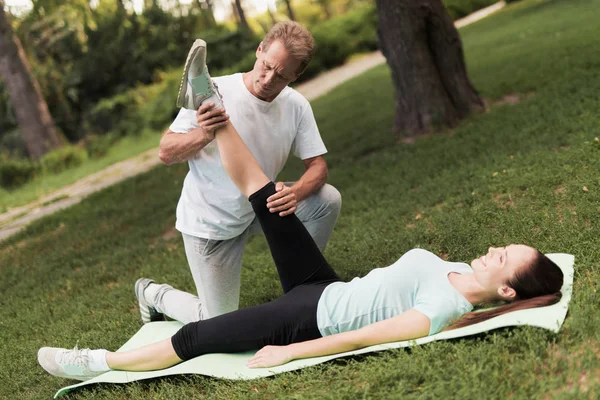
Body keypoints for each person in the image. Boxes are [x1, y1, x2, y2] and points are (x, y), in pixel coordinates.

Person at [37, 59, 564, 382]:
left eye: (505, 260)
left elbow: (364, 338)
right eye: (507, 246)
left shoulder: (442, 308)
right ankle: (209, 104)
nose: (496, 250)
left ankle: (99, 362)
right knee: (265, 194)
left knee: (198, 336)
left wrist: (290, 351)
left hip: (307, 319)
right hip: (321, 286)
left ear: (508, 294)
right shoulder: (460, 270)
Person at [154, 21, 342, 323]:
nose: (268, 79)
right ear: (259, 50)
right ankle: (155, 294)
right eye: (266, 66)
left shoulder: (296, 106)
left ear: (296, 76)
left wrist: (296, 193)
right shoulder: (223, 89)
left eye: (281, 76)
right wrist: (204, 134)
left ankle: (301, 288)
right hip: (212, 223)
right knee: (215, 321)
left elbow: (318, 167)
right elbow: (165, 151)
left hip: (259, 207)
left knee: (326, 200)